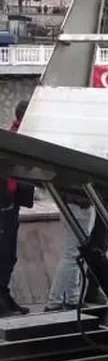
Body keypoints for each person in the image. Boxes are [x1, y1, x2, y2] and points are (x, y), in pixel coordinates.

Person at [1, 101, 36, 315]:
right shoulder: (12, 139)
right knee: (4, 252)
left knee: (10, 254)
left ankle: (4, 295)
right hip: (5, 203)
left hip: (12, 203)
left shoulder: (22, 138)